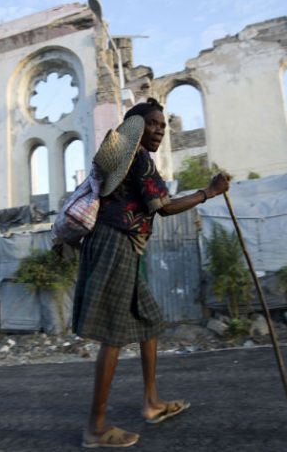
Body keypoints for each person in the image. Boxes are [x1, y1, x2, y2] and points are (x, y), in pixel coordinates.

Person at [74, 98, 230, 448]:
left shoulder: (127, 157)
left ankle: (151, 402)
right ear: (137, 128)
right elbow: (165, 207)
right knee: (114, 335)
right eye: (154, 124)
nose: (160, 129)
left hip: (118, 245)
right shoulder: (140, 158)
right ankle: (95, 428)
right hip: (116, 245)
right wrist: (209, 192)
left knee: (149, 322)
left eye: (163, 125)